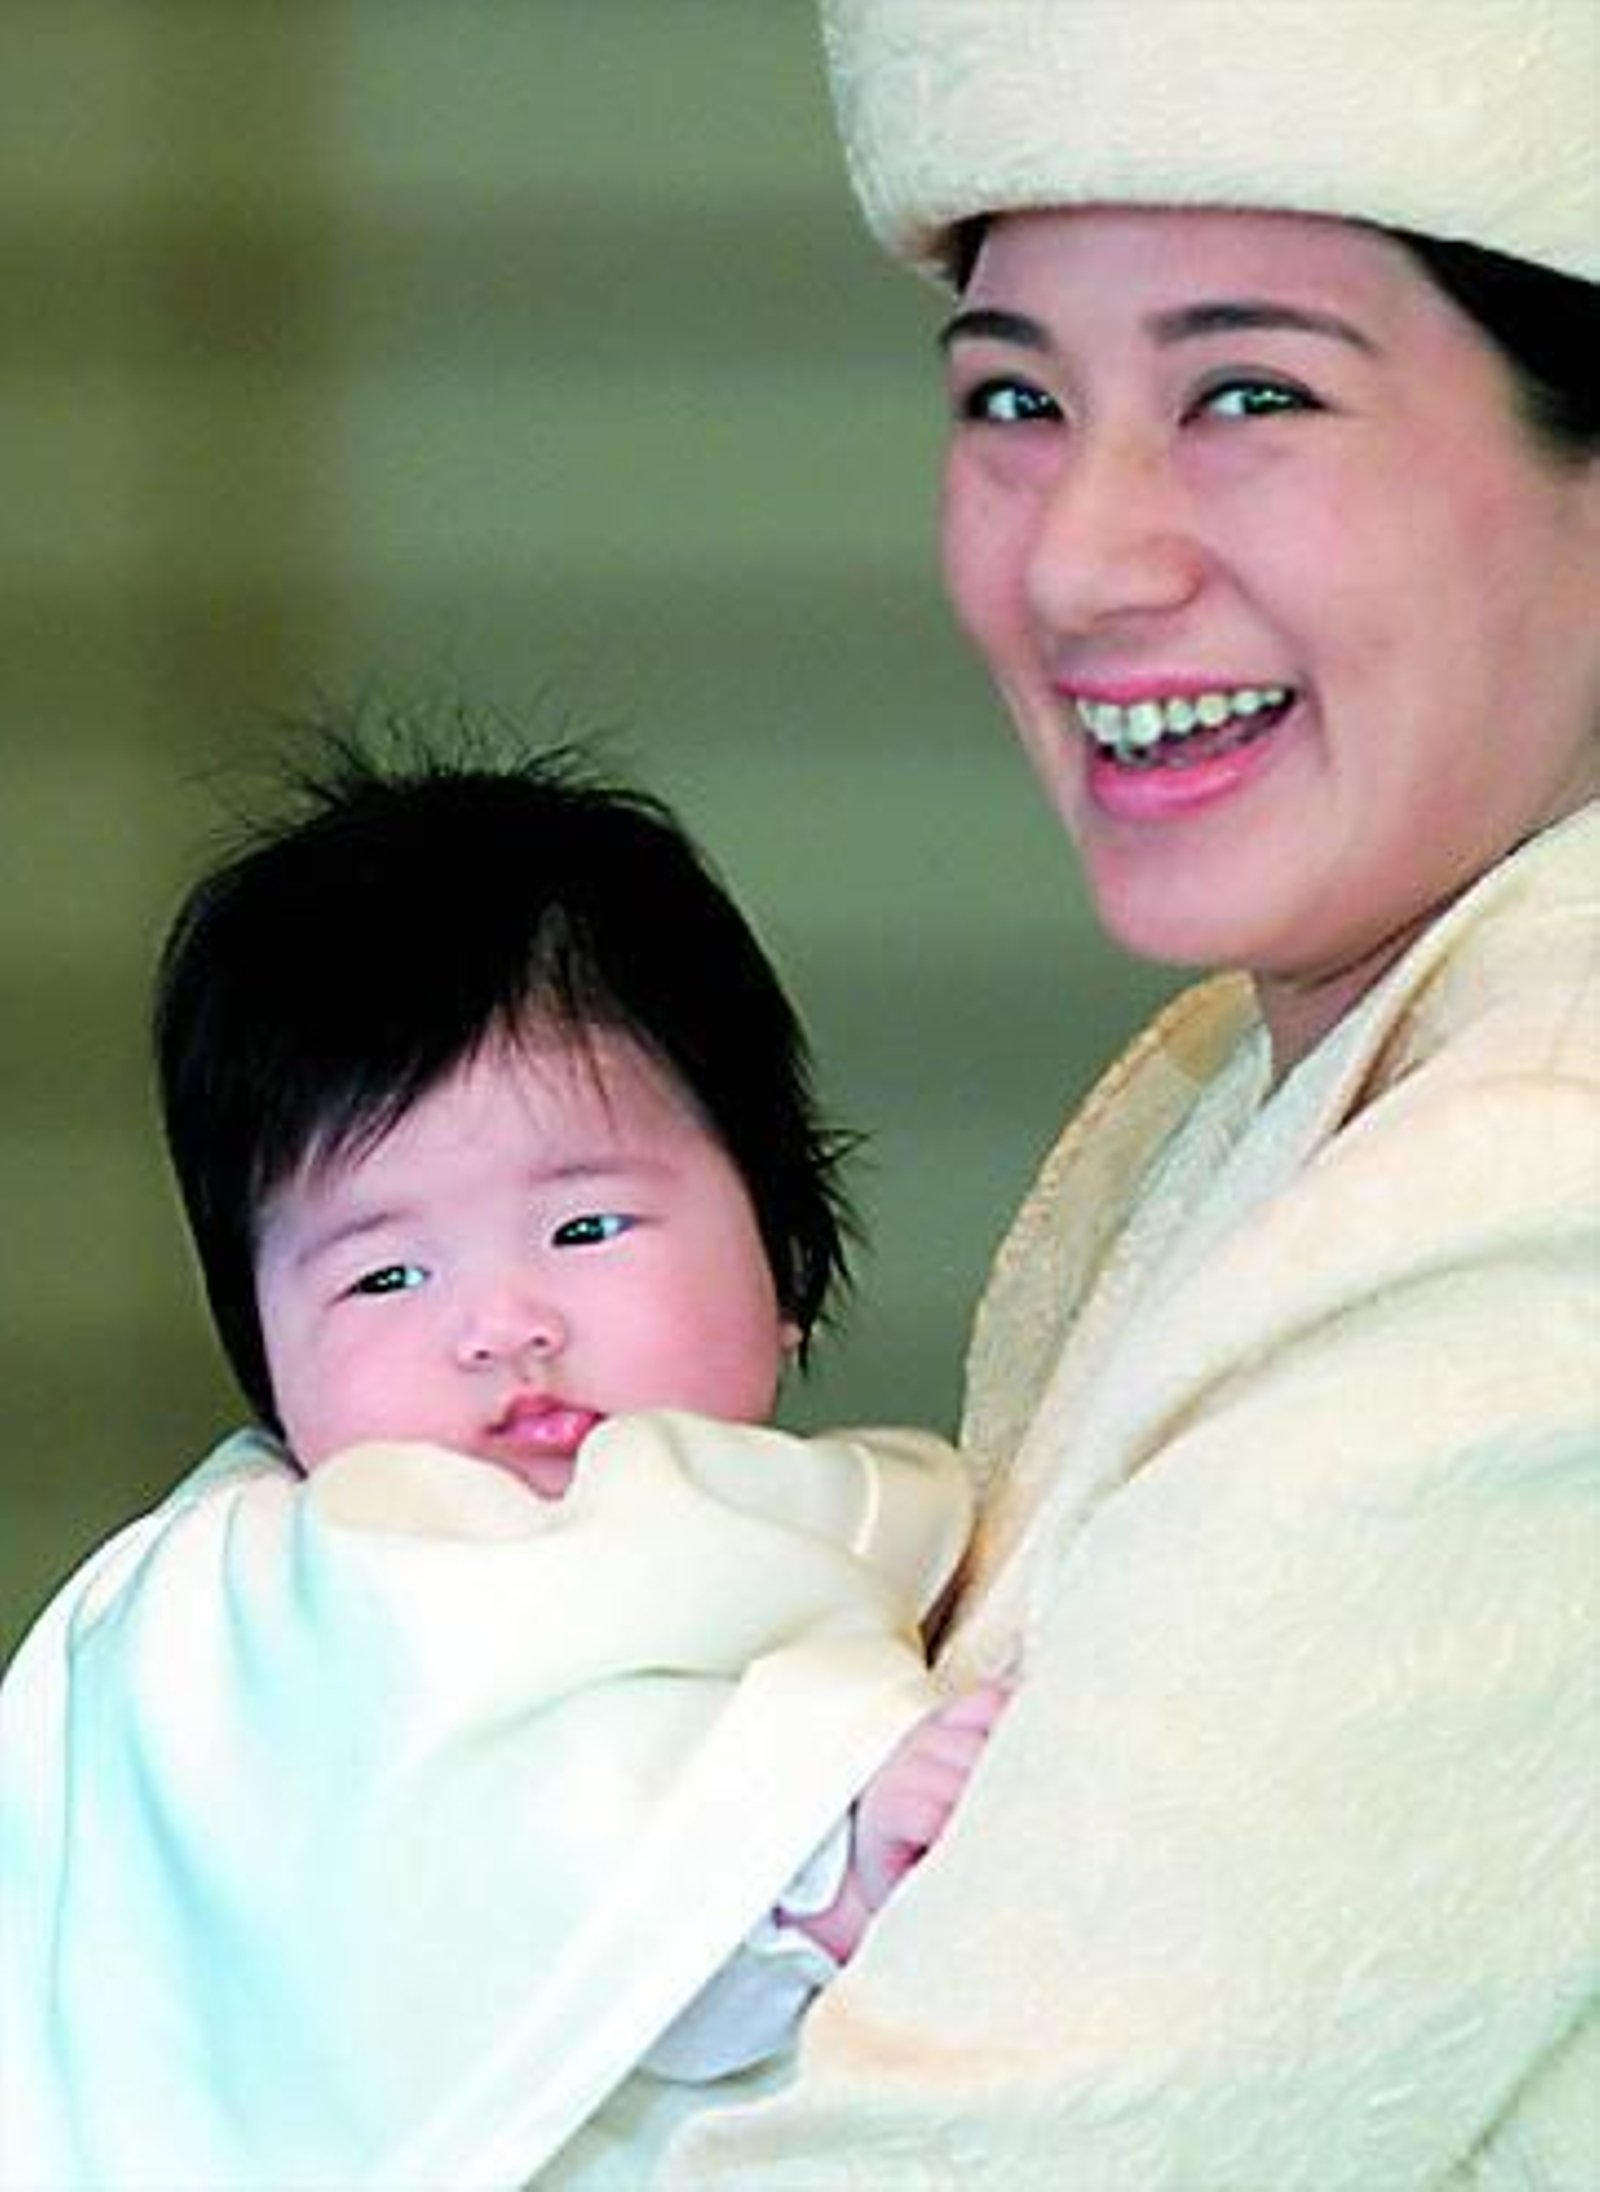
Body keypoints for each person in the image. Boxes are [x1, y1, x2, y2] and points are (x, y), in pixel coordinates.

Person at [555, 4, 1600, 2186]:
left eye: (1248, 393)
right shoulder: (1246, 1073)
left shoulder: (1533, 1200)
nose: (1078, 559)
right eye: (1013, 399)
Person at [0, 725, 1003, 2189]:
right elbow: (480, 1880)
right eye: (382, 1279)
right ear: (265, 1361)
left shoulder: (843, 1515)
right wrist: (810, 1866)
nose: (502, 1325)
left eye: (586, 1228)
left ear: (785, 1260)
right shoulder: (295, 1591)